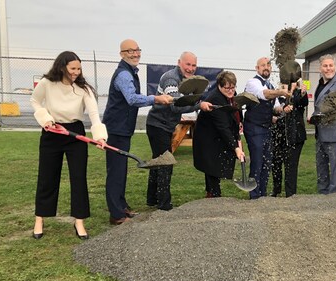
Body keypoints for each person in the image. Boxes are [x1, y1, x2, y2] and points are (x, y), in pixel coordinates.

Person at [30, 51, 108, 240]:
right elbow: (35, 101)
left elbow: (94, 114)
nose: (76, 72)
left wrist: (100, 137)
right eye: (73, 68)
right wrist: (45, 119)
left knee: (79, 177)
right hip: (52, 133)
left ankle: (79, 221)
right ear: (62, 67)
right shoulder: (47, 83)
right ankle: (39, 219)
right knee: (47, 177)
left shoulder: (84, 89)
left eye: (79, 68)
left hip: (75, 133)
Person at [102, 39, 173, 225]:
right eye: (130, 51)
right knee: (116, 171)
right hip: (116, 129)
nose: (135, 54)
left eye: (137, 50)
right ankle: (116, 215)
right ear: (122, 54)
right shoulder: (123, 75)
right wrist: (156, 98)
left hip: (122, 129)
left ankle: (121, 206)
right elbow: (132, 99)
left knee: (121, 169)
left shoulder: (130, 72)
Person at [145, 51, 211, 211]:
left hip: (165, 126)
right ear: (179, 62)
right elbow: (175, 105)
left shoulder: (188, 80)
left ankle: (152, 199)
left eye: (194, 65)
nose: (191, 68)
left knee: (158, 161)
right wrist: (198, 105)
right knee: (166, 162)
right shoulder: (171, 79)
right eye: (188, 64)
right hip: (157, 125)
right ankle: (164, 204)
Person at [193, 71, 245, 197]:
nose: (231, 91)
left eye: (233, 87)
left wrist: (238, 130)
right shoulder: (215, 99)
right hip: (208, 140)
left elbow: (236, 115)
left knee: (217, 167)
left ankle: (213, 194)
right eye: (227, 88)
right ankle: (213, 196)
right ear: (219, 86)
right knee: (212, 167)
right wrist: (236, 148)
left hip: (217, 138)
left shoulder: (232, 96)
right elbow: (223, 127)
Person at [243, 57, 289, 199]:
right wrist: (281, 92)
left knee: (266, 163)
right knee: (257, 163)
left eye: (268, 65)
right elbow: (264, 95)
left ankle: (262, 194)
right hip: (254, 128)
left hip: (267, 128)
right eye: (263, 65)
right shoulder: (253, 83)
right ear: (257, 68)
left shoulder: (270, 84)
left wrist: (283, 108)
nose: (266, 67)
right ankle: (254, 196)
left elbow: (275, 108)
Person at [310, 54, 336, 194]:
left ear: (335, 66)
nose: (328, 69)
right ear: (320, 68)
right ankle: (322, 198)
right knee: (321, 170)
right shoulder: (321, 84)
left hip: (334, 135)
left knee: (334, 172)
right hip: (320, 135)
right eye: (325, 66)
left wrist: (318, 117)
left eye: (331, 65)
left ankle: (334, 202)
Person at [270, 80, 309, 197]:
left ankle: (290, 194)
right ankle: (276, 190)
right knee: (275, 164)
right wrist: (272, 116)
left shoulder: (296, 95)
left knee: (290, 166)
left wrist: (302, 93)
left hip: (294, 137)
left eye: (290, 84)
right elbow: (269, 110)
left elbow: (303, 102)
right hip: (277, 136)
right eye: (283, 85)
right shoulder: (274, 96)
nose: (286, 87)